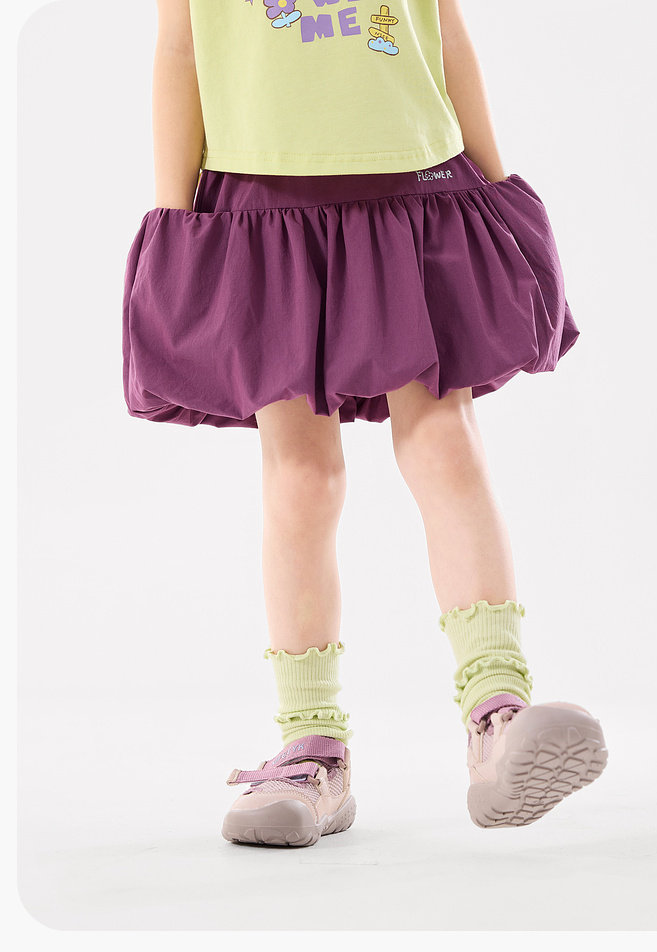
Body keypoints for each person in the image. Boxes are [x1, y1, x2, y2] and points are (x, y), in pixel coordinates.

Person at [122, 0, 608, 848]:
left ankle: (498, 712)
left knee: (443, 442)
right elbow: (179, 50)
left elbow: (445, 31)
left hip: (416, 187)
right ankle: (312, 746)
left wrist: (497, 188)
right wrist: (175, 227)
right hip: (262, 205)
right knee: (303, 479)